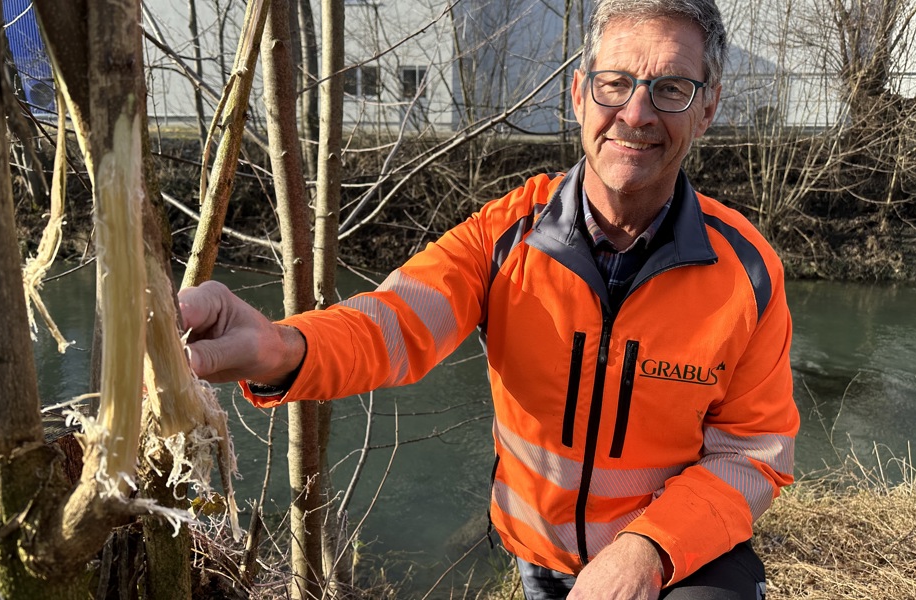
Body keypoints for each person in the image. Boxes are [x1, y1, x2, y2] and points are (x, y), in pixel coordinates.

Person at [179, 0, 799, 597]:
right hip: (539, 560)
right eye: (615, 83)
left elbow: (753, 455)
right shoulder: (505, 239)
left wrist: (648, 550)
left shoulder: (748, 273)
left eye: (671, 89)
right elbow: (394, 325)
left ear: (708, 106)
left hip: (672, 562)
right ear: (580, 94)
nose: (636, 113)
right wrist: (282, 346)